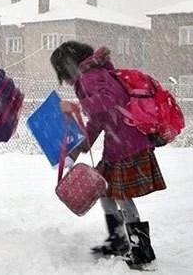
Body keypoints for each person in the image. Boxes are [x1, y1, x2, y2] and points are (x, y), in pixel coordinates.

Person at [50, 41, 166, 268]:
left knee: (122, 196)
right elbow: (99, 119)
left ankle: (140, 250)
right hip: (121, 142)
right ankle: (118, 240)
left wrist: (76, 105)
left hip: (126, 144)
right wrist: (81, 147)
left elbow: (108, 101)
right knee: (106, 191)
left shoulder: (90, 77)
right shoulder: (95, 74)